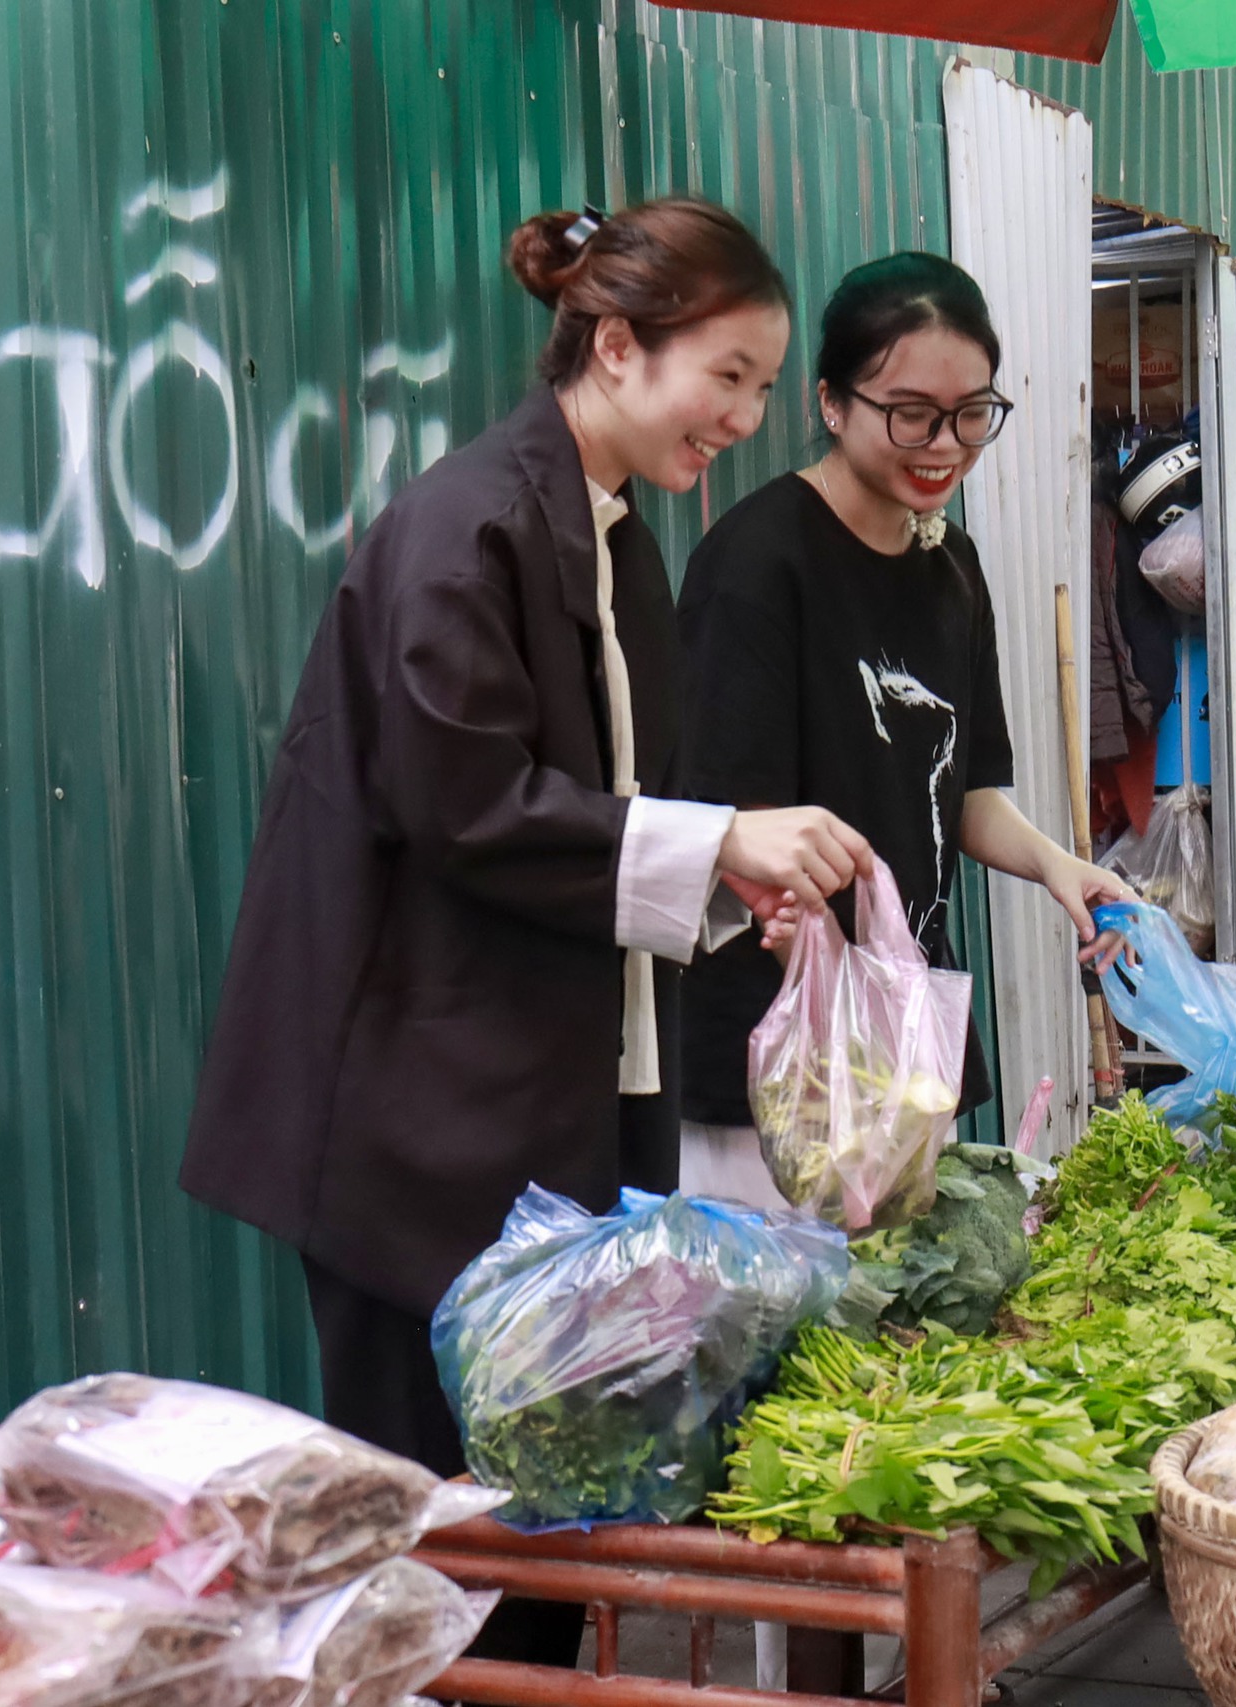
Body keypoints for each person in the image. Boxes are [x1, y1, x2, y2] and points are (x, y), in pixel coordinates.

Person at [181, 200, 871, 1661]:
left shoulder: (613, 535)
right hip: (412, 1125)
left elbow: (596, 807)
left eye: (761, 384)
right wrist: (718, 837)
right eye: (729, 376)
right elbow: (470, 801)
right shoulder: (467, 525)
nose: (744, 418)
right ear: (615, 344)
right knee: (439, 1551)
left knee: (549, 1537)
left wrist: (721, 869)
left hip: (537, 1112)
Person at [674, 253, 1128, 1200]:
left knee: (906, 1322)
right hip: (777, 1051)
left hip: (904, 1028)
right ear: (832, 403)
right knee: (784, 1337)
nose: (944, 443)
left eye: (972, 414)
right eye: (911, 412)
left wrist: (1060, 868)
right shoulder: (757, 564)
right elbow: (732, 822)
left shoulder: (951, 565)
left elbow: (963, 794)